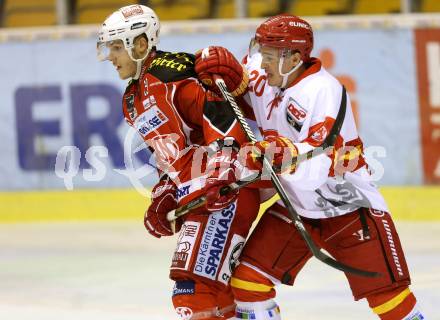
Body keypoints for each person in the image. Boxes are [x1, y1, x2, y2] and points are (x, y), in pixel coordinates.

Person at [194, 14, 425, 320]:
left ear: (294, 58)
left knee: (390, 301)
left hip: (348, 209)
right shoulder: (268, 73)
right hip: (298, 207)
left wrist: (276, 155)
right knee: (248, 283)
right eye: (260, 52)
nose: (261, 62)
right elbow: (238, 78)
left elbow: (318, 163)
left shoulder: (323, 92)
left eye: (269, 56)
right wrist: (217, 69)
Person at [97, 5, 260, 319]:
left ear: (140, 44)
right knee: (218, 293)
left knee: (192, 292)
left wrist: (222, 170)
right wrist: (164, 193)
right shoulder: (132, 99)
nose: (111, 56)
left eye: (117, 47)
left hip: (225, 194)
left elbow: (220, 114)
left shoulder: (174, 75)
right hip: (200, 197)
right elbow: (171, 156)